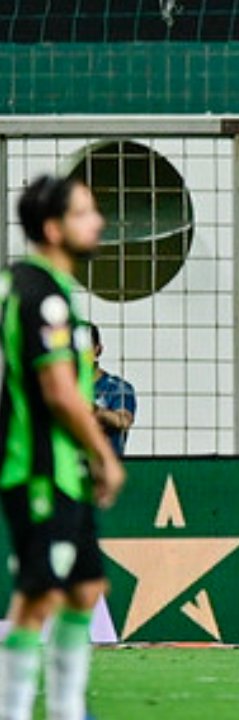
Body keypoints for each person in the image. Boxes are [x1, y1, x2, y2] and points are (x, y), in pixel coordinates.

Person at [0, 175, 126, 720]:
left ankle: (68, 709)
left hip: (61, 468)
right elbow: (57, 391)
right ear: (53, 228)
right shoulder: (42, 296)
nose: (97, 222)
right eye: (84, 213)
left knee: (85, 587)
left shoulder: (36, 286)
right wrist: (103, 452)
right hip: (39, 468)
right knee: (39, 596)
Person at [89, 324, 136, 457]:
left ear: (98, 350)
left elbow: (124, 420)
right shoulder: (58, 389)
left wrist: (93, 410)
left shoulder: (117, 387)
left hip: (106, 469)